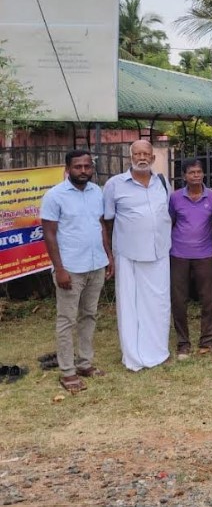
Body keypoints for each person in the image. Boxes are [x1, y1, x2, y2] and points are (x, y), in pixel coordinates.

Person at [40, 150, 113, 393]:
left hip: (96, 265)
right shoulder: (54, 196)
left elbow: (101, 225)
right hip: (70, 268)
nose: (83, 171)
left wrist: (108, 256)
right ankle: (67, 371)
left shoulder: (97, 192)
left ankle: (84, 363)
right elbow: (49, 234)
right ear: (68, 169)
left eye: (87, 166)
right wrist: (59, 269)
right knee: (67, 320)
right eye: (78, 167)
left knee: (89, 316)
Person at [103, 140, 173, 371]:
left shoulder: (162, 182)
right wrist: (109, 255)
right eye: (137, 154)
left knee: (159, 304)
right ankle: (133, 355)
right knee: (130, 307)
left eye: (146, 154)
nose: (142, 158)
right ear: (130, 157)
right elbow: (107, 221)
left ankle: (158, 351)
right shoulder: (115, 184)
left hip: (159, 253)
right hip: (129, 255)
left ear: (153, 158)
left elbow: (167, 213)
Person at [168, 158, 212, 359]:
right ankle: (183, 342)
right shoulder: (175, 198)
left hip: (205, 255)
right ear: (184, 176)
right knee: (179, 300)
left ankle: (207, 340)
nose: (196, 175)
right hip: (178, 255)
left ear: (203, 174)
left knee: (208, 299)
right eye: (192, 172)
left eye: (199, 172)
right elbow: (170, 222)